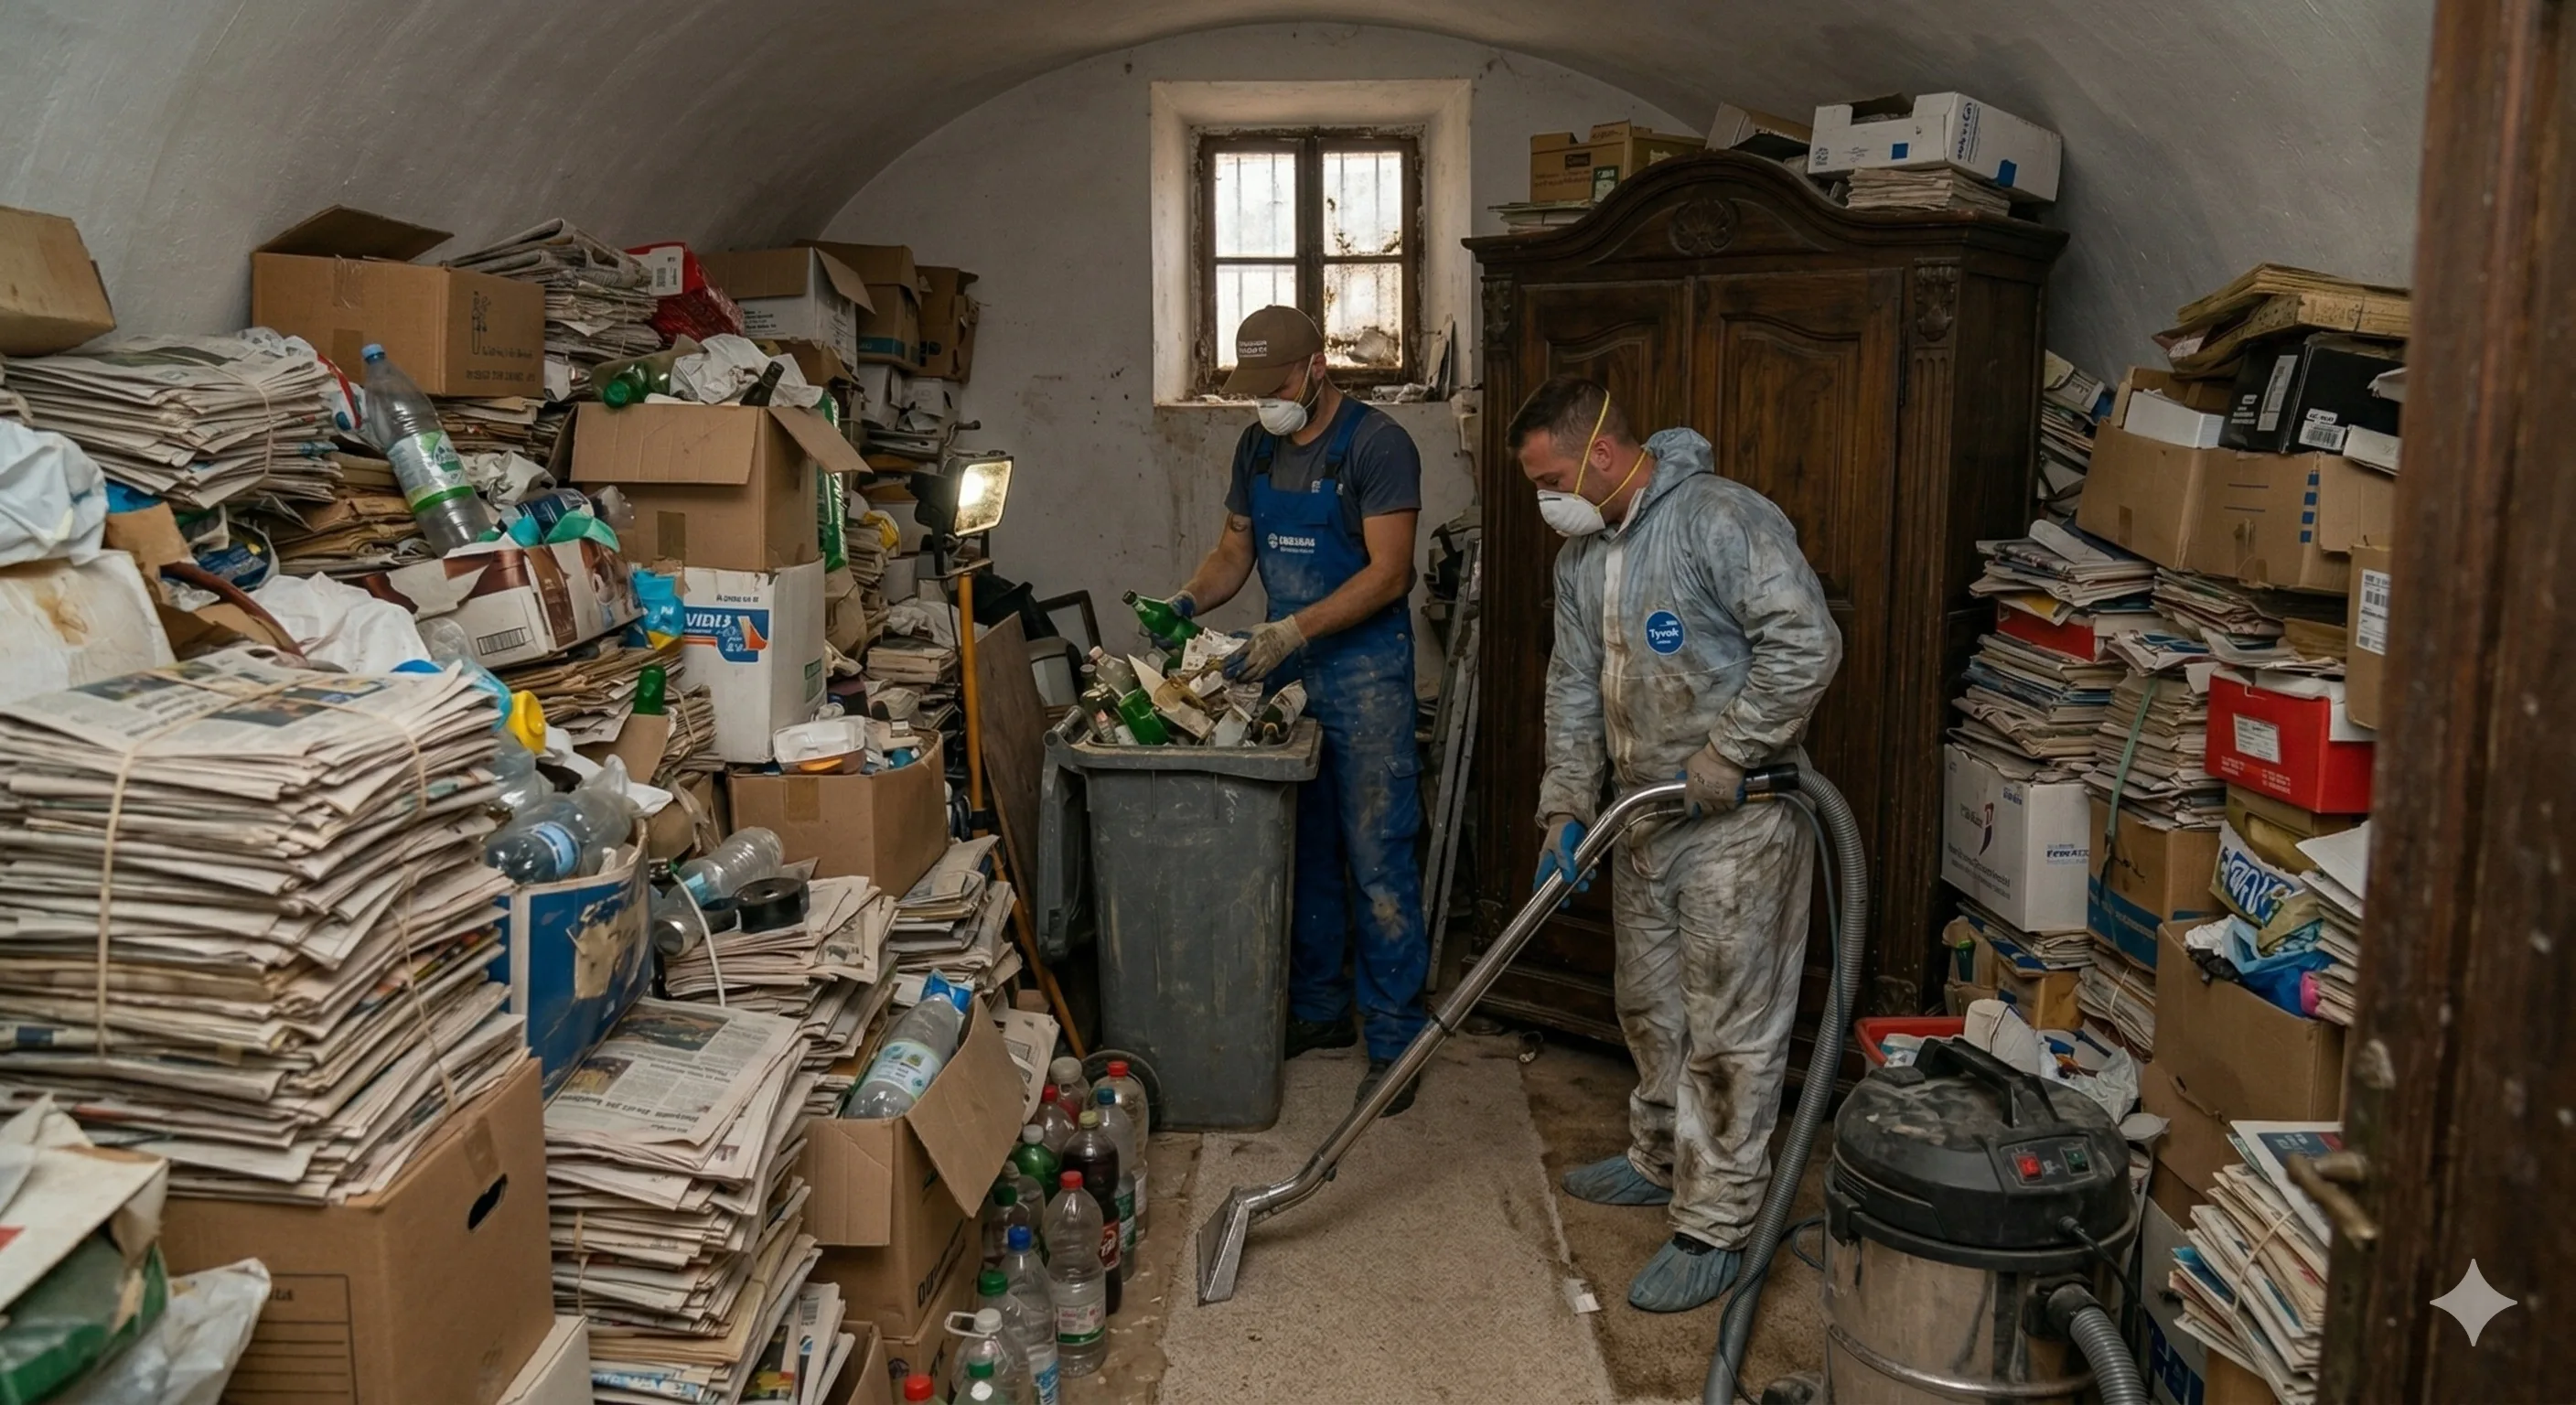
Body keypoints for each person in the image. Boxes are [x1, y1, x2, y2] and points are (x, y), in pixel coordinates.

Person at [1510, 375, 1842, 1313]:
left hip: (1740, 825)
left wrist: (1728, 749)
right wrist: (1563, 805)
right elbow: (1571, 684)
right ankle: (1657, 1155)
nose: (1544, 499)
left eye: (1546, 478)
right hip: (1642, 815)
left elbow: (1805, 644)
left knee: (1729, 1031)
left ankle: (1718, 1223)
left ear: (1600, 456)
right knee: (1648, 1005)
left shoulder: (1720, 520)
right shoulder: (1582, 559)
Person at [1154, 306, 1430, 1116]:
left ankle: (1395, 1039)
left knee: (1378, 853)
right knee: (1301, 845)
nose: (1265, 402)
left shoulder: (1379, 447)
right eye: (1254, 388)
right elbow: (1235, 549)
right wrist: (1187, 599)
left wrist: (1290, 631)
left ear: (1317, 369)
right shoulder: (1256, 446)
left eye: (1276, 385)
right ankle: (1319, 1011)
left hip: (1366, 674)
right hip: (1287, 674)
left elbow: (1390, 574)